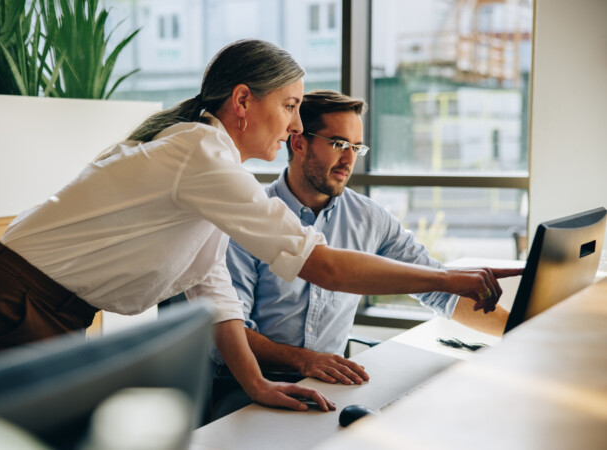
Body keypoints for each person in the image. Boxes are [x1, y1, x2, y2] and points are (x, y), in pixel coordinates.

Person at [0, 39, 520, 414]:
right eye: (290, 105)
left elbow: (212, 291)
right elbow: (320, 265)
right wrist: (451, 281)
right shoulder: (201, 155)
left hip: (44, 311)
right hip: (11, 309)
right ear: (244, 100)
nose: (295, 123)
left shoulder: (213, 171)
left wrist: (258, 386)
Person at [210, 90, 514, 417]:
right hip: (250, 384)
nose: (349, 160)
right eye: (339, 144)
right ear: (298, 143)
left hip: (330, 383)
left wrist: (519, 335)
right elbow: (230, 329)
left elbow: (440, 291)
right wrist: (305, 359)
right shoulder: (249, 216)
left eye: (356, 148)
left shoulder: (369, 218)